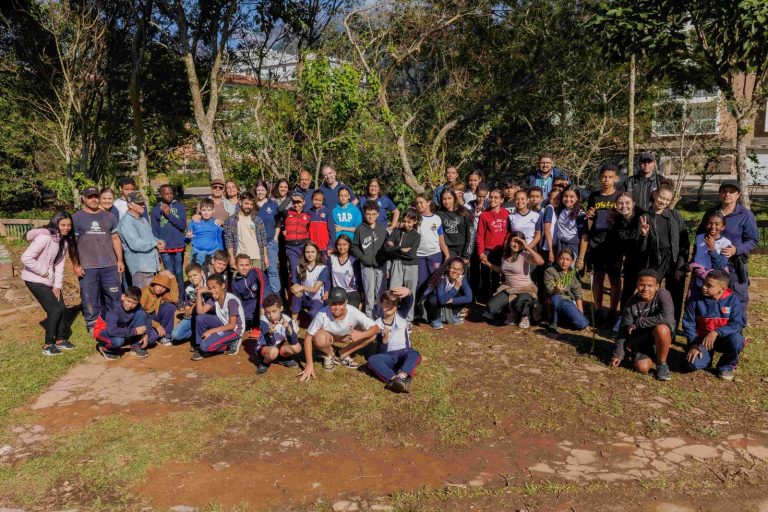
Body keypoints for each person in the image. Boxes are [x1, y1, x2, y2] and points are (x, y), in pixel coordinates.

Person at [696, 180, 758, 311]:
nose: (727, 194)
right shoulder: (711, 213)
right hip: (710, 264)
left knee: (737, 299)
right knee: (711, 298)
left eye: (732, 192)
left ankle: (736, 323)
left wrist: (737, 250)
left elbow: (753, 240)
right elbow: (700, 235)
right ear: (720, 194)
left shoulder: (746, 215)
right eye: (724, 191)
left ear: (738, 195)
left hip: (734, 264)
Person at [22, 211, 76, 355]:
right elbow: (26, 258)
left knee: (62, 308)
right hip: (34, 279)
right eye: (63, 225)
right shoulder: (44, 238)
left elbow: (59, 265)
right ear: (56, 224)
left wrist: (57, 286)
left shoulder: (63, 241)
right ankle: (48, 345)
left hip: (49, 279)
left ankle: (60, 340)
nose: (66, 228)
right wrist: (44, 272)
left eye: (69, 225)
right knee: (54, 309)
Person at [298, 287, 380, 381]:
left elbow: (376, 328)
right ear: (329, 302)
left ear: (346, 302)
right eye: (333, 303)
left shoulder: (353, 311)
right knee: (319, 339)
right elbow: (308, 337)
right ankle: (329, 354)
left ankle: (341, 354)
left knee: (372, 335)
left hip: (347, 335)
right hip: (328, 336)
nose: (337, 307)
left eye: (341, 303)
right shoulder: (322, 314)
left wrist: (361, 335)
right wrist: (309, 364)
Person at [72, 186, 124, 334]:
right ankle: (93, 324)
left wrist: (120, 260)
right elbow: (73, 244)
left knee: (114, 295)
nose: (94, 199)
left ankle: (114, 320)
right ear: (84, 199)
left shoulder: (109, 217)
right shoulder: (76, 218)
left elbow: (115, 238)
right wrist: (76, 264)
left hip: (110, 264)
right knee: (90, 296)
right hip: (88, 266)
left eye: (96, 196)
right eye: (90, 197)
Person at [610, 270, 674, 381]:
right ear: (637, 285)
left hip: (660, 333)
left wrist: (638, 323)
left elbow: (666, 318)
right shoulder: (630, 304)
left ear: (657, 286)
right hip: (642, 339)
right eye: (642, 285)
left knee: (662, 329)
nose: (645, 289)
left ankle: (662, 363)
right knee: (642, 367)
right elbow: (623, 330)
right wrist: (618, 354)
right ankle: (646, 352)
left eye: (650, 285)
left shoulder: (663, 294)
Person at [683, 270, 746, 381]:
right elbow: (688, 324)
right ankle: (707, 358)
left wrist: (716, 332)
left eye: (709, 285)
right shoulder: (695, 299)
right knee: (690, 365)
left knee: (737, 340)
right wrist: (694, 344)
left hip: (724, 338)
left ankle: (726, 366)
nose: (704, 287)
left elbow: (737, 324)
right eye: (704, 283)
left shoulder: (732, 300)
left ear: (723, 289)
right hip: (702, 340)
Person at [644, 182, 689, 327]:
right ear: (655, 194)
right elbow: (640, 245)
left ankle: (671, 328)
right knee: (650, 293)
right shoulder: (645, 216)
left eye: (667, 200)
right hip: (655, 260)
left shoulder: (675, 216)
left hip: (675, 260)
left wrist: (681, 266)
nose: (663, 202)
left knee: (675, 296)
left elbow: (684, 243)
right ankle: (648, 325)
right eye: (661, 197)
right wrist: (643, 235)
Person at [585, 164, 622, 322]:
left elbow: (626, 216)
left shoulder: (620, 196)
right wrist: (590, 214)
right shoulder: (594, 196)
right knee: (598, 277)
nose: (607, 180)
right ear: (600, 178)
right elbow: (590, 217)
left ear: (616, 178)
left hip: (614, 244)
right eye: (604, 177)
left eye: (610, 177)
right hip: (597, 242)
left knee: (614, 279)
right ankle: (598, 308)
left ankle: (613, 310)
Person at [483, 231, 544, 328]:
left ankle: (525, 316)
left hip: (525, 289)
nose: (516, 245)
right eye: (514, 241)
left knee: (521, 302)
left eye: (519, 242)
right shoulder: (505, 255)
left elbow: (540, 261)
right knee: (491, 306)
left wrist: (526, 246)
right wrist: (488, 263)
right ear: (508, 242)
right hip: (510, 288)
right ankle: (512, 312)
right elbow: (501, 270)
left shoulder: (524, 255)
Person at [368, 287, 421, 393]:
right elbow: (381, 352)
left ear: (397, 306)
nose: (390, 306)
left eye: (394, 303)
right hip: (389, 356)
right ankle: (395, 379)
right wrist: (384, 340)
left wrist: (408, 293)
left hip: (404, 351)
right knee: (372, 360)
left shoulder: (401, 314)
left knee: (414, 354)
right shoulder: (377, 324)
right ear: (381, 303)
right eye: (387, 303)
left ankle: (401, 376)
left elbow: (409, 301)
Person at [610, 192, 649, 334]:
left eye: (627, 203)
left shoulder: (643, 217)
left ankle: (643, 322)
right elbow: (617, 243)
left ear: (633, 203)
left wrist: (644, 235)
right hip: (630, 260)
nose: (624, 206)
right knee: (627, 291)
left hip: (646, 260)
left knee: (644, 291)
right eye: (620, 203)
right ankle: (623, 318)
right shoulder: (618, 220)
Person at [192, 273, 245, 360]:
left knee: (205, 346)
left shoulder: (231, 301)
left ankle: (231, 342)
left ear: (223, 286)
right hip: (224, 324)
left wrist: (211, 331)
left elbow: (232, 326)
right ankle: (199, 345)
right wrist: (199, 293)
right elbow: (200, 312)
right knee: (200, 318)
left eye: (214, 287)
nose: (212, 291)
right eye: (209, 288)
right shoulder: (214, 298)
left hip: (235, 330)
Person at [118, 192, 164, 289]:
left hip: (151, 266)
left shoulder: (142, 219)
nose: (143, 205)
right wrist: (155, 243)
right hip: (141, 269)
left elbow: (149, 238)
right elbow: (135, 244)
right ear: (130, 205)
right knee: (143, 296)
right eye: (139, 203)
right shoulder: (126, 222)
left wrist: (159, 241)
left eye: (143, 203)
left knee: (152, 295)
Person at [93, 285, 153, 360]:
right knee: (118, 341)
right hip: (103, 331)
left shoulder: (137, 306)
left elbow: (147, 318)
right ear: (123, 297)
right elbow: (112, 331)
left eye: (134, 303)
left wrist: (146, 334)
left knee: (141, 314)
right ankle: (105, 348)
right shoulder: (114, 308)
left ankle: (135, 346)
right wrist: (134, 331)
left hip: (121, 328)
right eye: (128, 301)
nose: (130, 305)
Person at [351, 202, 388, 317]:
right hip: (366, 265)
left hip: (381, 265)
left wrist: (385, 261)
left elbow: (388, 247)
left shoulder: (382, 229)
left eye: (373, 214)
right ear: (364, 214)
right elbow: (354, 246)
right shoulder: (360, 229)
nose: (371, 216)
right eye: (368, 214)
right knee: (369, 292)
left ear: (378, 214)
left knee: (380, 292)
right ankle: (369, 317)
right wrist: (362, 258)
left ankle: (380, 315)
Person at [385, 208, 421, 325]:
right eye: (404, 221)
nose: (406, 224)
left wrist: (395, 249)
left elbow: (411, 254)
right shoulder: (396, 231)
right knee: (394, 291)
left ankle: (408, 320)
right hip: (397, 263)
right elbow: (387, 249)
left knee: (410, 291)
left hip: (411, 265)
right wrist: (401, 249)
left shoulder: (416, 236)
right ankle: (391, 317)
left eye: (409, 222)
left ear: (415, 222)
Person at [414, 194, 450, 306]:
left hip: (435, 255)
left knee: (435, 281)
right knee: (421, 282)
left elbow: (441, 239)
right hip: (419, 256)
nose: (419, 205)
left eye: (421, 202)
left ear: (429, 202)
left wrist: (447, 255)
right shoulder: (415, 218)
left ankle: (434, 308)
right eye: (417, 203)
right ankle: (420, 307)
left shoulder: (437, 219)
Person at [151, 184, 187, 297]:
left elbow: (182, 225)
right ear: (160, 195)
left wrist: (169, 214)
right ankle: (173, 296)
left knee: (179, 271)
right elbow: (154, 231)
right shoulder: (156, 210)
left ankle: (181, 297)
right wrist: (157, 245)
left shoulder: (180, 207)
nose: (169, 195)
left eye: (171, 193)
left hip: (178, 245)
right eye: (166, 194)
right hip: (164, 247)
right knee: (169, 272)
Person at [543, 248, 588, 332]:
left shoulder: (573, 273)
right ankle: (553, 322)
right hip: (553, 298)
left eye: (567, 259)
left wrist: (580, 312)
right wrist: (556, 290)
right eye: (562, 259)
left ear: (572, 261)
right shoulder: (550, 271)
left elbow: (578, 294)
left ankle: (561, 318)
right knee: (555, 299)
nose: (564, 262)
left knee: (582, 324)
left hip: (567, 301)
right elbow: (549, 289)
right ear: (557, 259)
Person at [255, 293, 302, 374]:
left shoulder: (287, 319)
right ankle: (265, 363)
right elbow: (270, 343)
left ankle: (283, 358)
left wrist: (289, 328)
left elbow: (293, 341)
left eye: (274, 311)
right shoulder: (264, 320)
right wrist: (270, 334)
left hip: (279, 346)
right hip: (266, 347)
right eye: (268, 312)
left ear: (281, 308)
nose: (271, 315)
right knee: (273, 351)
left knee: (297, 347)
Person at [476, 188, 508, 302]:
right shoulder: (484, 215)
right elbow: (480, 235)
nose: (492, 200)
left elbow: (509, 232)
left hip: (501, 250)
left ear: (502, 200)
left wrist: (507, 246)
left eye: (496, 197)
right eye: (490, 197)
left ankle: (495, 298)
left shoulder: (506, 213)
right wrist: (480, 252)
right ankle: (485, 298)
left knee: (497, 276)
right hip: (487, 251)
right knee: (485, 275)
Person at [223, 191, 269, 272]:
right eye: (246, 203)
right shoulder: (231, 220)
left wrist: (265, 257)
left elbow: (263, 240)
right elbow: (229, 241)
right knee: (239, 280)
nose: (249, 206)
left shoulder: (258, 220)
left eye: (251, 204)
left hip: (256, 258)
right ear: (240, 202)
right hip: (239, 259)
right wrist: (232, 258)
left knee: (257, 279)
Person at [424, 257, 473, 329]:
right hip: (434, 302)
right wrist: (455, 288)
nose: (455, 271)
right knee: (433, 300)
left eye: (458, 269)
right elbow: (441, 300)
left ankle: (452, 314)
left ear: (462, 271)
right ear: (448, 268)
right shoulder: (441, 278)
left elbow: (469, 297)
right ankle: (435, 318)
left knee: (463, 296)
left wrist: (452, 300)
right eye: (453, 268)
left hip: (446, 301)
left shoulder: (462, 278)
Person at [230, 253, 270, 338]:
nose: (244, 268)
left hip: (263, 299)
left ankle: (261, 325)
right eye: (241, 265)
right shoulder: (235, 282)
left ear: (250, 265)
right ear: (236, 266)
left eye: (247, 265)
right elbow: (238, 302)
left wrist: (261, 306)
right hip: (249, 305)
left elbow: (265, 288)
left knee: (265, 305)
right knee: (241, 320)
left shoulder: (256, 272)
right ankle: (254, 324)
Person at [253, 180, 282, 294]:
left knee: (272, 270)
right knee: (258, 271)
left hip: (270, 241)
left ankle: (276, 296)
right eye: (258, 190)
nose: (260, 192)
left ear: (266, 191)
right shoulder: (252, 205)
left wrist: (276, 237)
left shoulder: (272, 204)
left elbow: (278, 221)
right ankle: (262, 296)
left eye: (262, 190)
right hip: (255, 243)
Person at [290, 242, 330, 322]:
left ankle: (314, 322)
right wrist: (294, 289)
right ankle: (293, 322)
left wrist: (301, 287)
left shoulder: (322, 268)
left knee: (313, 314)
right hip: (304, 297)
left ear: (317, 253)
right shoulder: (299, 267)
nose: (310, 254)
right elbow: (295, 284)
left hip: (316, 298)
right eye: (307, 252)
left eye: (312, 252)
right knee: (295, 296)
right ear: (304, 253)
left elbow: (315, 289)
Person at [171, 262, 208, 345]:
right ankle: (194, 332)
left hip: (206, 316)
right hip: (193, 316)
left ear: (202, 273)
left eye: (195, 275)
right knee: (175, 334)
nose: (192, 278)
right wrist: (195, 305)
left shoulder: (209, 285)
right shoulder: (188, 288)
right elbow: (187, 312)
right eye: (190, 276)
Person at [140, 272, 178, 347]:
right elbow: (140, 315)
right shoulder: (144, 293)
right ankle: (156, 333)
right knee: (151, 340)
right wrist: (156, 325)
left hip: (154, 316)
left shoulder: (162, 293)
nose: (160, 289)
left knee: (170, 306)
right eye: (159, 285)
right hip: (144, 320)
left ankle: (166, 335)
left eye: (164, 287)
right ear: (154, 283)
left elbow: (175, 299)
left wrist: (173, 279)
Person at [437, 189, 474, 262]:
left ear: (454, 198)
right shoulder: (439, 213)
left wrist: (466, 255)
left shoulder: (464, 211)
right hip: (447, 250)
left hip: (463, 250)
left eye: (449, 198)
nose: (447, 201)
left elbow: (471, 234)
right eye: (444, 199)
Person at [328, 234, 363, 309]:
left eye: (344, 244)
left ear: (349, 245)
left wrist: (362, 297)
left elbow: (359, 279)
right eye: (339, 244)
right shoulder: (332, 258)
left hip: (351, 291)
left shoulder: (354, 260)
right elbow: (328, 278)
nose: (341, 247)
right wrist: (327, 291)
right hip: (336, 291)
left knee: (350, 310)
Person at [283, 191, 312, 278]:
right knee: (294, 269)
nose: (296, 205)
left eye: (299, 202)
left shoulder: (307, 215)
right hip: (291, 246)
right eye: (294, 202)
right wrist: (290, 198)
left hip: (303, 245)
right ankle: (295, 285)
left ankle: (305, 285)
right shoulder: (287, 213)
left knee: (304, 269)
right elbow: (280, 209)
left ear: (303, 202)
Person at [187, 198, 223, 268]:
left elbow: (220, 241)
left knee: (210, 273)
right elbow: (189, 237)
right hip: (197, 254)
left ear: (213, 210)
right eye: (203, 210)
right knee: (197, 272)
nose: (206, 213)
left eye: (209, 210)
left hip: (212, 255)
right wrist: (188, 237)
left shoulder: (216, 223)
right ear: (200, 210)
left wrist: (219, 254)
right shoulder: (194, 222)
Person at [556, 187, 588, 263]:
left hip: (572, 247)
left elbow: (584, 237)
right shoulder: (560, 210)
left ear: (577, 198)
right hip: (560, 245)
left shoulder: (580, 215)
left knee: (570, 268)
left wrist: (580, 258)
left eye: (571, 196)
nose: (568, 199)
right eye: (565, 196)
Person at [307, 189, 335, 259]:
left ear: (323, 200)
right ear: (312, 199)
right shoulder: (309, 212)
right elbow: (306, 229)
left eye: (320, 200)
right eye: (315, 199)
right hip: (312, 247)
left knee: (325, 265)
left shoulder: (327, 211)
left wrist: (330, 246)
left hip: (324, 247)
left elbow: (331, 230)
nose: (317, 202)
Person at [537, 188, 561, 265]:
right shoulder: (549, 208)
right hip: (546, 247)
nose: (555, 200)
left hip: (551, 246)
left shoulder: (556, 210)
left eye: (558, 198)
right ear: (549, 198)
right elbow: (547, 230)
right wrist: (551, 251)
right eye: (552, 198)